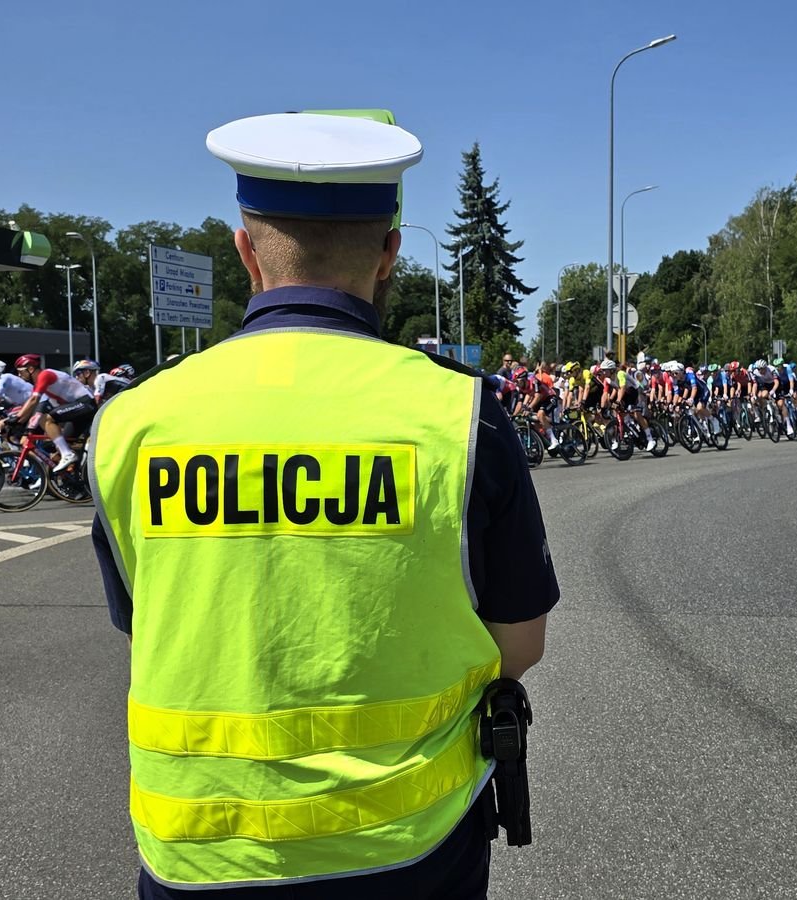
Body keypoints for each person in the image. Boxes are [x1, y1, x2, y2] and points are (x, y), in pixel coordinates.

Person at [88, 111, 558, 899]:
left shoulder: (131, 423)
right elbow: (521, 643)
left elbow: (148, 619)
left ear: (244, 249)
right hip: (410, 849)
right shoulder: (459, 416)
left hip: (197, 853)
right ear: (389, 255)